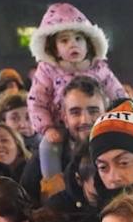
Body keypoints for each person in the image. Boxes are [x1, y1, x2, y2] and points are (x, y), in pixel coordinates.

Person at [27, 3, 128, 198]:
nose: (72, 44)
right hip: (58, 130)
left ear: (89, 43)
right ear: (54, 48)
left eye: (78, 38)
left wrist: (127, 116)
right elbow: (36, 102)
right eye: (64, 40)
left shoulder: (99, 68)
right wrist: (47, 128)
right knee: (47, 147)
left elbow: (118, 93)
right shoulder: (47, 70)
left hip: (103, 130)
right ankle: (54, 191)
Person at [19, 75, 106, 204]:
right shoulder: (44, 158)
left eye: (93, 111)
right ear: (65, 118)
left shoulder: (120, 151)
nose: (85, 120)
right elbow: (25, 206)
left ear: (106, 113)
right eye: (75, 112)